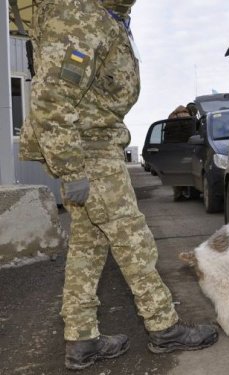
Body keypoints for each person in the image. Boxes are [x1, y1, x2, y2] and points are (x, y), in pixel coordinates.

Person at [19, 0, 218, 370]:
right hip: (87, 149)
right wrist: (70, 167)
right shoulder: (79, 13)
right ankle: (163, 327)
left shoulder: (108, 16)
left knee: (88, 247)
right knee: (133, 240)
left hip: (95, 144)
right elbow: (51, 100)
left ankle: (81, 340)